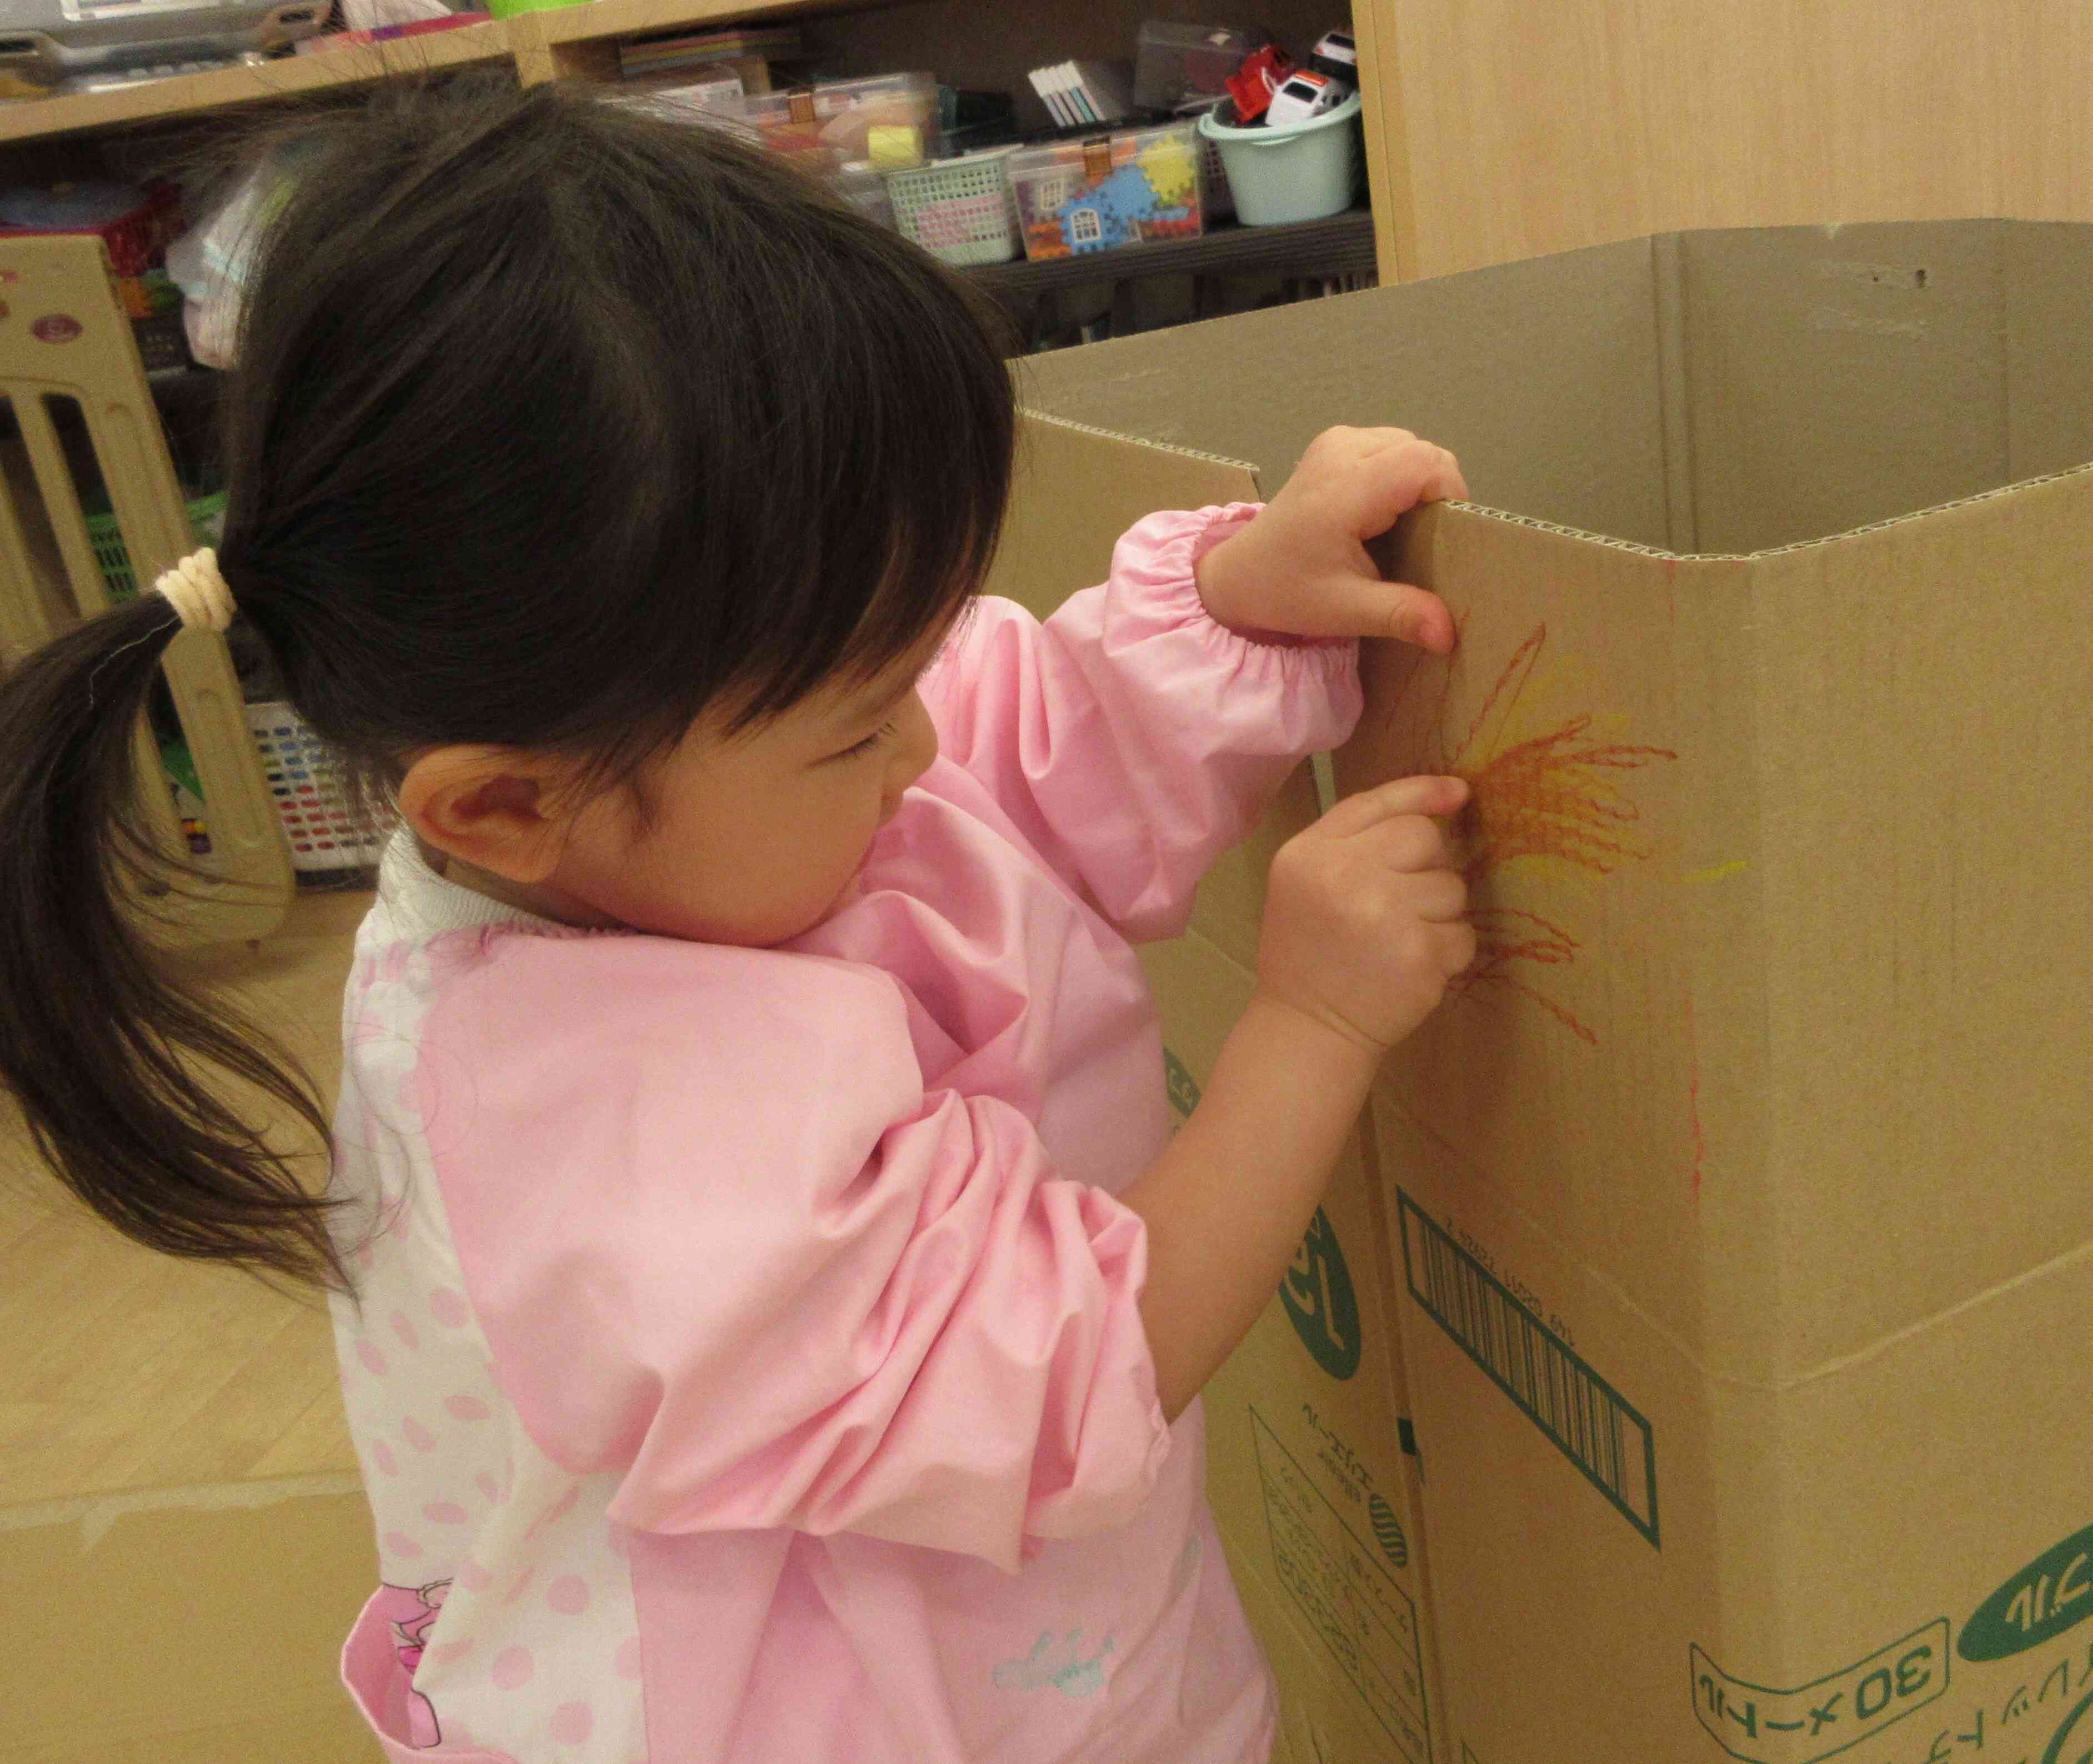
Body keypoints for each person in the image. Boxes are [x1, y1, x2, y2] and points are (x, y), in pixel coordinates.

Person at [0, 77, 1474, 1764]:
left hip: (1026, 1633)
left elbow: (1018, 740)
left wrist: (1232, 604)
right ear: (505, 807)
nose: (917, 747)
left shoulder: (696, 790)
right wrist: (1313, 1028)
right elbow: (1070, 1379)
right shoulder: (605, 1123)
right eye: (856, 726)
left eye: (913, 657)